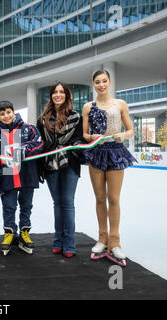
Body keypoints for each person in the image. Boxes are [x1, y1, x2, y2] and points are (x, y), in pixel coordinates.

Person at [82, 70, 136, 267]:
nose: (101, 84)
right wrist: (92, 138)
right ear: (93, 84)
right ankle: (102, 238)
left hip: (115, 152)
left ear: (110, 82)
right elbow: (85, 135)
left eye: (104, 81)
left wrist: (124, 135)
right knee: (99, 198)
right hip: (96, 153)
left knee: (113, 198)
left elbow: (130, 130)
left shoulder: (120, 104)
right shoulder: (88, 106)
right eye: (97, 82)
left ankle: (115, 241)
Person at [0, 101, 43, 256]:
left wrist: (26, 149)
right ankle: (9, 233)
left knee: (26, 206)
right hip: (8, 177)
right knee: (9, 207)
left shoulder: (28, 128)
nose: (6, 116)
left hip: (26, 175)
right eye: (2, 114)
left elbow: (39, 144)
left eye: (8, 112)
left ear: (13, 111)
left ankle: (25, 233)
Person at [37, 82, 84, 258]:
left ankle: (69, 244)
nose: (58, 95)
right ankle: (58, 241)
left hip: (69, 162)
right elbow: (40, 143)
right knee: (57, 202)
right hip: (50, 164)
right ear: (51, 95)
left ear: (66, 95)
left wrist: (75, 146)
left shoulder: (76, 116)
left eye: (61, 92)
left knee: (67, 202)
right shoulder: (43, 119)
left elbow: (80, 138)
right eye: (55, 92)